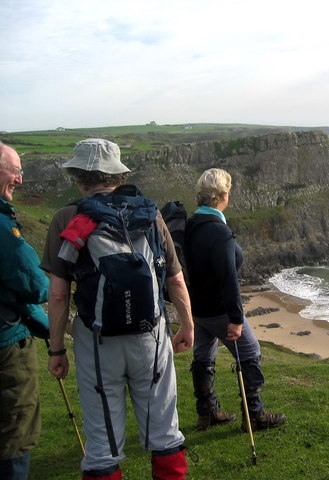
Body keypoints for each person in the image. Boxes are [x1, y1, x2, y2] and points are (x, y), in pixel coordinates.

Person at [42, 139, 194, 480]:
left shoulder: (68, 217)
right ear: (118, 174)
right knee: (164, 432)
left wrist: (56, 349)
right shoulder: (149, 212)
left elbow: (58, 295)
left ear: (79, 176)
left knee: (102, 444)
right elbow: (176, 279)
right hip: (151, 336)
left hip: (97, 342)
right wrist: (187, 326)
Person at [184, 168, 285, 432]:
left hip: (198, 308)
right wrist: (236, 319)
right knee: (250, 353)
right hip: (218, 309)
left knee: (203, 357)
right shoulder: (219, 232)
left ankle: (207, 412)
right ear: (223, 195)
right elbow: (229, 280)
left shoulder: (191, 225)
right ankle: (254, 415)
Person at [0, 143, 50, 480]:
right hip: (5, 344)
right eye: (14, 170)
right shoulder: (4, 229)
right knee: (13, 437)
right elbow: (35, 285)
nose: (19, 179)